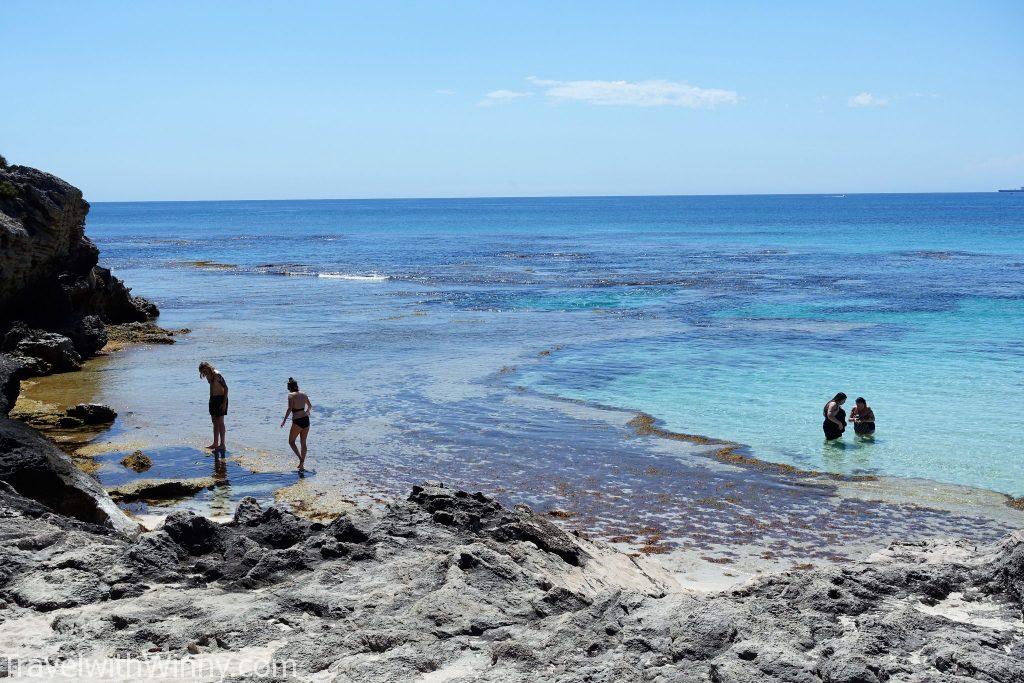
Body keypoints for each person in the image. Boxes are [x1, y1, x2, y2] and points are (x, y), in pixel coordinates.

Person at [280, 377, 312, 471]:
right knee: (303, 442)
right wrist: (307, 412)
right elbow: (310, 406)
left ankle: (301, 459)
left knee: (291, 441)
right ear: (296, 386)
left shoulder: (291, 395)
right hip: (306, 420)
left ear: (289, 387)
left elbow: (290, 409)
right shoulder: (304, 394)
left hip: (297, 421)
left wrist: (284, 420)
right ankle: (302, 465)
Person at [199, 361, 228, 454]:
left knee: (220, 422)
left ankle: (222, 444)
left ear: (208, 367)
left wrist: (224, 403)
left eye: (205, 370)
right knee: (214, 422)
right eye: (202, 372)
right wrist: (211, 400)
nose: (204, 373)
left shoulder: (217, 374)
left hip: (221, 399)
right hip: (213, 399)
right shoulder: (208, 375)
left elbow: (226, 388)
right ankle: (215, 444)